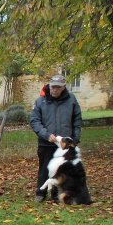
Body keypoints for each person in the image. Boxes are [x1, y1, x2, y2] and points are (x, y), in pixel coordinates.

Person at [30, 74, 82, 202]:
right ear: (49, 86)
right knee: (44, 169)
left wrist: (75, 139)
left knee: (62, 169)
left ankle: (56, 193)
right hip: (46, 143)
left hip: (64, 144)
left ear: (63, 87)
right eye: (53, 87)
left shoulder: (71, 100)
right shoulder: (40, 101)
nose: (55, 90)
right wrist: (46, 135)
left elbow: (77, 120)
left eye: (58, 87)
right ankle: (40, 193)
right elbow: (34, 121)